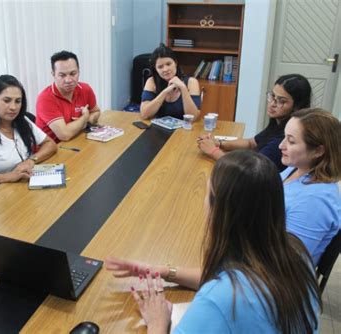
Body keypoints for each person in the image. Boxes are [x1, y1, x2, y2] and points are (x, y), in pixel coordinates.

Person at [106, 151, 320, 333]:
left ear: (220, 211)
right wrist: (160, 270)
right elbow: (232, 282)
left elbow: (225, 292)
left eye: (208, 194)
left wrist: (157, 322)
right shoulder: (295, 250)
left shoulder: (221, 299)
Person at [197, 74, 311, 171]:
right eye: (272, 96)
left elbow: (250, 170)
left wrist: (213, 151)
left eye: (281, 101)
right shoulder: (278, 123)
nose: (272, 103)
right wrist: (219, 143)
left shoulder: (285, 137)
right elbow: (251, 143)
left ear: (297, 107)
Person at [0, 75, 57, 187]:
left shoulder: (22, 122)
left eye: (18, 101)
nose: (13, 107)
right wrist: (7, 177)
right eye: (7, 100)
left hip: (23, 184)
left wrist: (31, 161)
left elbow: (50, 144)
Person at [279, 108, 341, 265]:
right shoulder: (297, 167)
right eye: (284, 137)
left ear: (318, 151)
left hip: (281, 281)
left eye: (291, 141)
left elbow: (288, 262)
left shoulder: (316, 201)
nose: (281, 145)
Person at [36, 50, 101, 142]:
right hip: (52, 149)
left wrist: (83, 123)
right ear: (53, 74)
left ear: (79, 71)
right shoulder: (45, 99)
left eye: (73, 74)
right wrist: (84, 118)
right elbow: (65, 135)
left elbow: (96, 111)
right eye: (62, 75)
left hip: (77, 140)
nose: (68, 80)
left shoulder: (85, 89)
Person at [140, 44, 200, 120]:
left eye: (168, 64)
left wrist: (183, 88)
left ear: (175, 63)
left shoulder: (191, 82)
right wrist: (165, 92)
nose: (165, 69)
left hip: (185, 128)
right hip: (159, 128)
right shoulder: (152, 81)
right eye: (160, 67)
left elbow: (193, 117)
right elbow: (145, 114)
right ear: (155, 69)